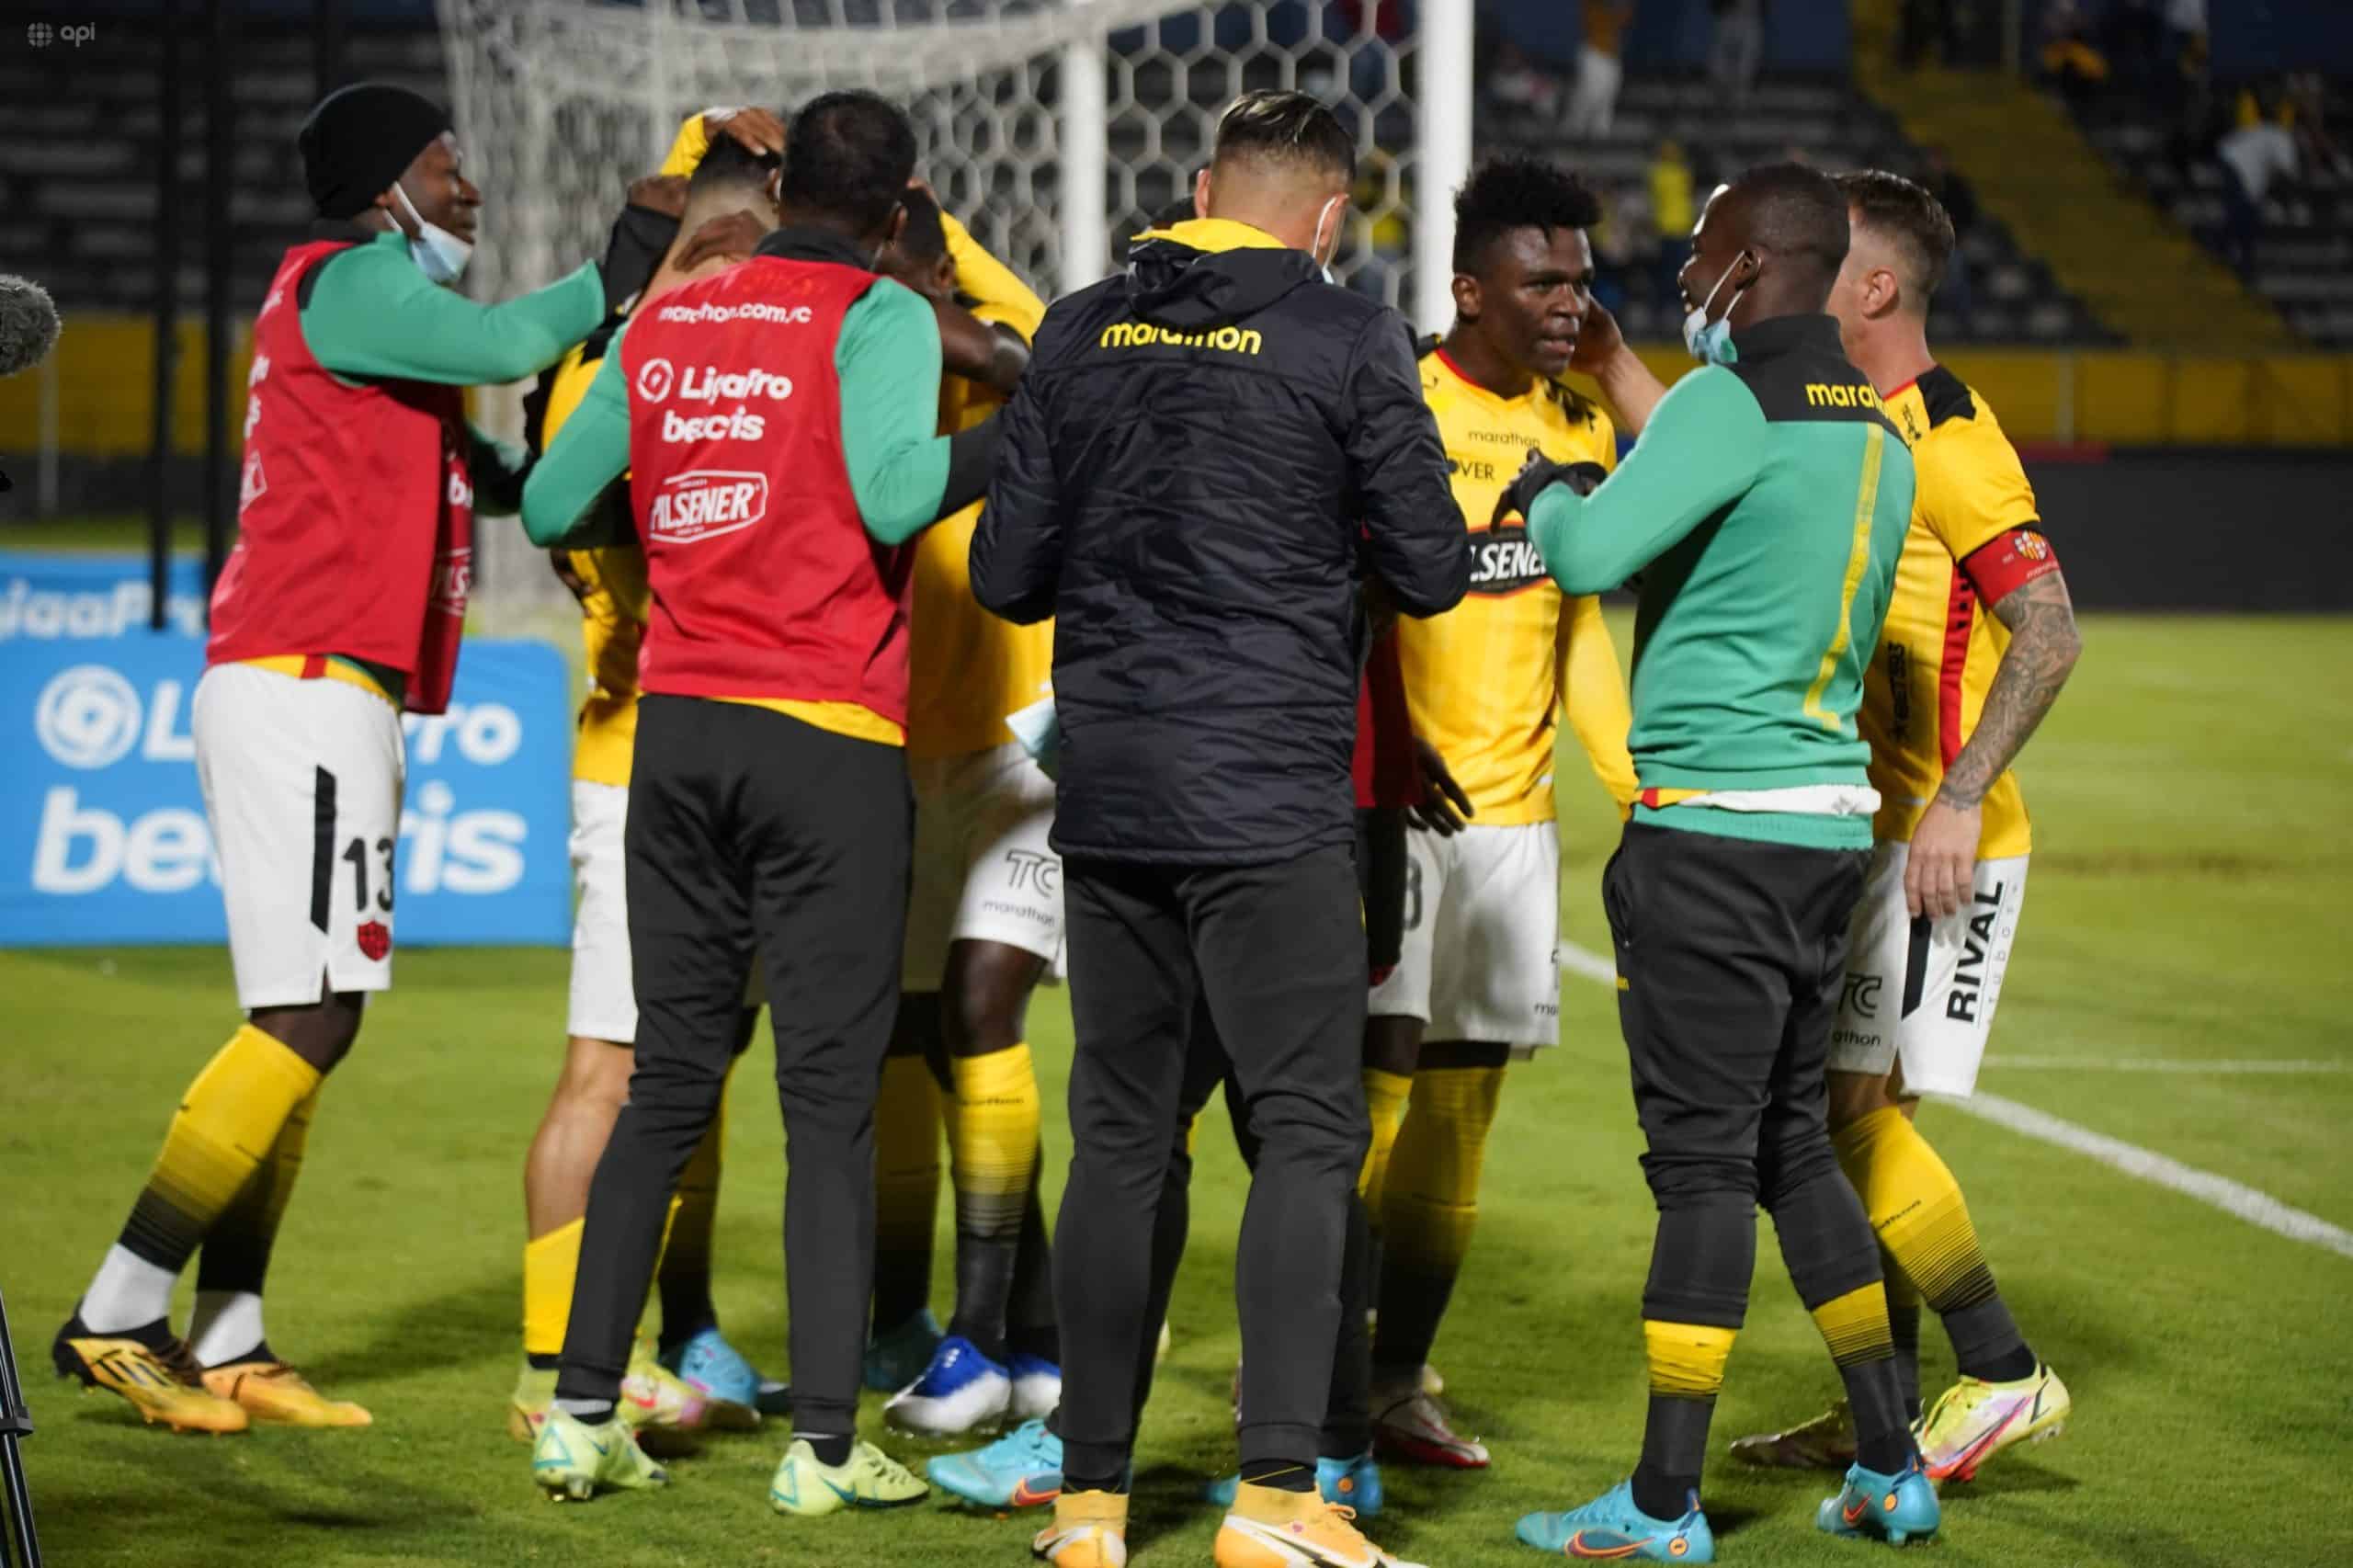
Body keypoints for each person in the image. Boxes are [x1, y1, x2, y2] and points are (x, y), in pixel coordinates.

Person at [49, 81, 619, 1437]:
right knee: (311, 1015)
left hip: (321, 686)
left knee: (307, 1009)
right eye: (445, 160)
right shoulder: (351, 277)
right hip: (303, 683)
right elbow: (508, 335)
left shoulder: (372, 329)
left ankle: (231, 1333)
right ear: (383, 184)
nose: (469, 183)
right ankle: (118, 1307)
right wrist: (635, 261)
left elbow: (499, 478)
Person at [972, 88, 1466, 1568]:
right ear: (1330, 217)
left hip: (1114, 791)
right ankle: (1274, 1498)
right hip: (1270, 794)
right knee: (1306, 1129)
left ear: (1198, 190)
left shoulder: (1076, 331)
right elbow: (1433, 568)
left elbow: (1006, 574)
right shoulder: (1349, 338)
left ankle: (1089, 1508)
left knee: (1123, 1135)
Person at [517, 88, 995, 1513]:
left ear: (784, 194)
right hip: (824, 735)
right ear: (896, 213)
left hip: (677, 735)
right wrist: (1029, 433)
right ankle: (827, 1448)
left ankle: (580, 1414)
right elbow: (897, 496)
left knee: (668, 1081)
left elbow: (547, 504)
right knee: (829, 1102)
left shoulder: (674, 316)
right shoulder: (881, 312)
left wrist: (692, 515)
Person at [1504, 164, 1935, 1562]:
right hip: (1826, 835)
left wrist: (1551, 488)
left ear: (1751, 266)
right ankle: (1891, 1463)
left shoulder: (1724, 402)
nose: (1683, 274)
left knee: (1699, 1169)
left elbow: (1589, 556)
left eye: (1700, 251)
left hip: (1712, 837)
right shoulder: (1879, 431)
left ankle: (1662, 1500)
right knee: (1791, 1147)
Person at [1730, 168, 2080, 1485]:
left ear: (1873, 288)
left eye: (1823, 259)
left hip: (1935, 847)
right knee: (1849, 1117)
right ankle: (1882, 1413)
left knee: (1839, 1120)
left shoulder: (1953, 440)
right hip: (1862, 829)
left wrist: (1958, 796)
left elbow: (2050, 632)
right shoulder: (1846, 421)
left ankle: (2003, 1369)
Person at [509, 108, 790, 1446]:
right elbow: (572, 504)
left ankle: (658, 1335)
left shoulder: (646, 349)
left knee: (685, 1063)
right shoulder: (623, 361)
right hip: (641, 754)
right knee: (607, 1069)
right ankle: (553, 1364)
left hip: (697, 748)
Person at [1358, 157, 1638, 1472]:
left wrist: (1639, 790)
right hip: (1391, 814)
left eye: (1580, 280)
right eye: (1542, 282)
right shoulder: (1392, 399)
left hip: (1513, 823)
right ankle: (1300, 1362)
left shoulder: (1583, 427)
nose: (1569, 303)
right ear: (1471, 289)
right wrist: (1386, 742)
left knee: (1457, 1120)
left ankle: (1392, 1382)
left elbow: (1578, 627)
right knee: (1358, 1112)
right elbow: (1345, 597)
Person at [866, 184, 1067, 1437]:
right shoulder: (860, 367)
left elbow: (1046, 353)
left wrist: (941, 269)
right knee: (928, 1039)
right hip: (893, 747)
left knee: (984, 1006)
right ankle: (1030, 1333)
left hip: (1020, 745)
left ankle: (980, 1338)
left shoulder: (1013, 363)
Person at [2215, 112, 2297, 278]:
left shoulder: (2265, 129)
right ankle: (2238, 259)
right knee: (2245, 215)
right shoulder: (2283, 136)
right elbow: (2286, 173)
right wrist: (2288, 204)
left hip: (2228, 158)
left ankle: (2226, 251)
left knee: (2240, 213)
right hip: (2241, 168)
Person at [1566, 0, 1634, 138]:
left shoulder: (1618, 9)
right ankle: (1570, 135)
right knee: (1589, 96)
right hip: (1594, 54)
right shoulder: (1594, 5)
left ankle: (1600, 138)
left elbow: (1625, 17)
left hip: (1612, 59)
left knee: (1607, 101)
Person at [1709, 0, 1765, 104]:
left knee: (1747, 61)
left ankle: (1741, 95)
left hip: (1750, 16)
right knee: (1721, 64)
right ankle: (1721, 94)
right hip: (1727, 16)